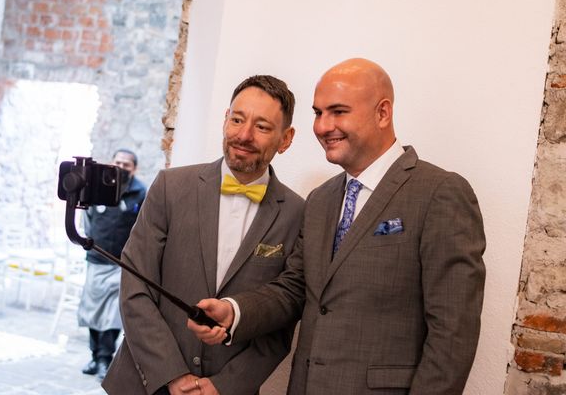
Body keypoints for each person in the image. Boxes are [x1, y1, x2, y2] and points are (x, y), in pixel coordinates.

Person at [189, 58, 487, 394]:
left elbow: (453, 335)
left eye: (338, 111)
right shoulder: (320, 200)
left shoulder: (439, 193)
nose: (323, 126)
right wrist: (234, 312)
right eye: (318, 113)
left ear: (383, 113)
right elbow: (294, 289)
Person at [101, 75, 304, 395]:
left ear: (286, 138)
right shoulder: (170, 187)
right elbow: (134, 287)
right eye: (237, 119)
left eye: (262, 127)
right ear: (225, 119)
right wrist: (171, 374)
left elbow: (283, 317)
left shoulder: (297, 213)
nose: (244, 135)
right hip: (143, 384)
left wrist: (225, 385)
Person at [78, 148, 147, 381]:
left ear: (134, 168)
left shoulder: (140, 193)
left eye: (126, 164)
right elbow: (86, 219)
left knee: (112, 315)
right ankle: (94, 355)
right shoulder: (98, 187)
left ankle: (105, 359)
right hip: (96, 260)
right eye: (117, 161)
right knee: (92, 311)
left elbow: (143, 228)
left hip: (121, 263)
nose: (120, 166)